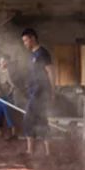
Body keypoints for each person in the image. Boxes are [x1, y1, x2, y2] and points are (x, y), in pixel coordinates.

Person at [21, 28, 55, 156]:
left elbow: (51, 72)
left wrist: (53, 92)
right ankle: (46, 152)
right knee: (41, 120)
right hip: (33, 91)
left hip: (41, 92)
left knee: (29, 119)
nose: (25, 44)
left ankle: (31, 150)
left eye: (25, 40)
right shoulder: (32, 55)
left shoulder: (42, 53)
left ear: (32, 38)